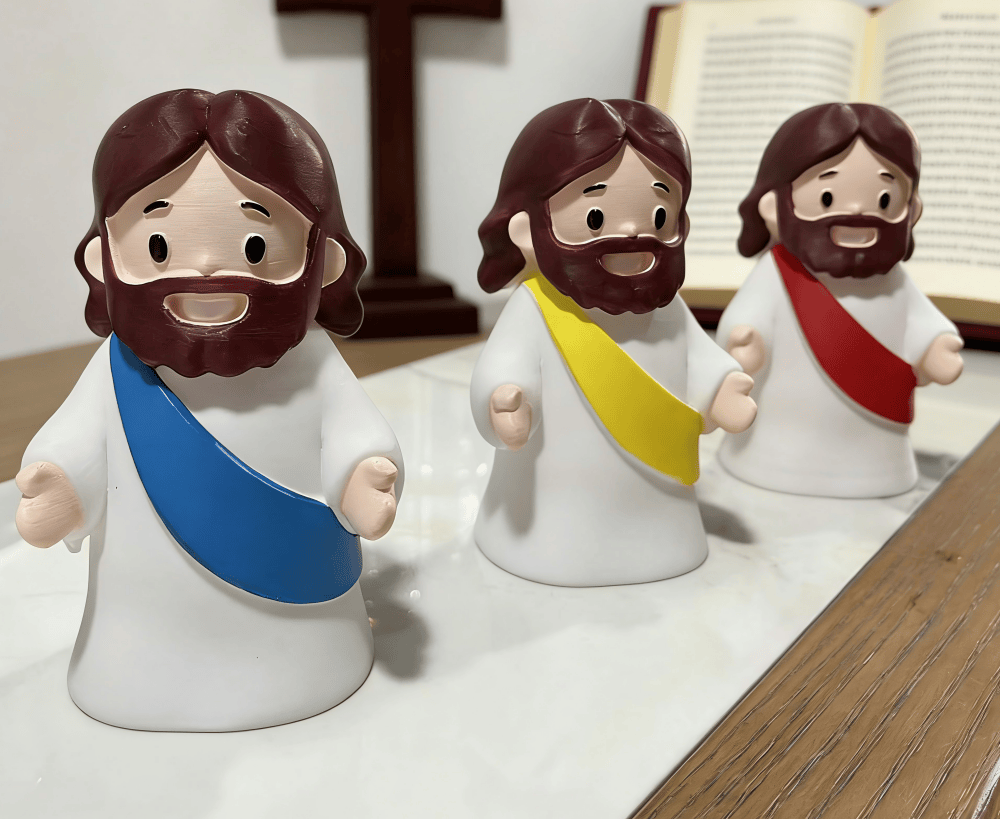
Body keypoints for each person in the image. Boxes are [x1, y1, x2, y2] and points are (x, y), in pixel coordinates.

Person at [15, 89, 404, 731]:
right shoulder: (117, 368)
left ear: (324, 260)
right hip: (144, 623)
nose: (202, 270)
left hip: (304, 620)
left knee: (300, 651)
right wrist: (61, 481)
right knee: (143, 644)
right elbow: (78, 436)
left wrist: (362, 472)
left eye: (254, 247)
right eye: (158, 245)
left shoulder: (312, 358)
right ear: (102, 259)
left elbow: (354, 428)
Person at [471, 97, 756, 587]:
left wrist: (721, 386)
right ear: (527, 231)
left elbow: (698, 354)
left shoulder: (667, 308)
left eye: (659, 216)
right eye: (596, 218)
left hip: (663, 506)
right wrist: (502, 403)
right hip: (551, 516)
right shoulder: (534, 307)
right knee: (563, 525)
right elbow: (501, 370)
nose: (631, 234)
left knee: (660, 513)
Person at [717, 102, 963, 498]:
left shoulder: (893, 280)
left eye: (884, 200)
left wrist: (935, 345)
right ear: (774, 208)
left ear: (912, 210)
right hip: (774, 449)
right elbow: (744, 322)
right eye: (828, 196)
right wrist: (746, 342)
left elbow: (920, 320)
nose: (857, 213)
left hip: (880, 453)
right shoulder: (776, 273)